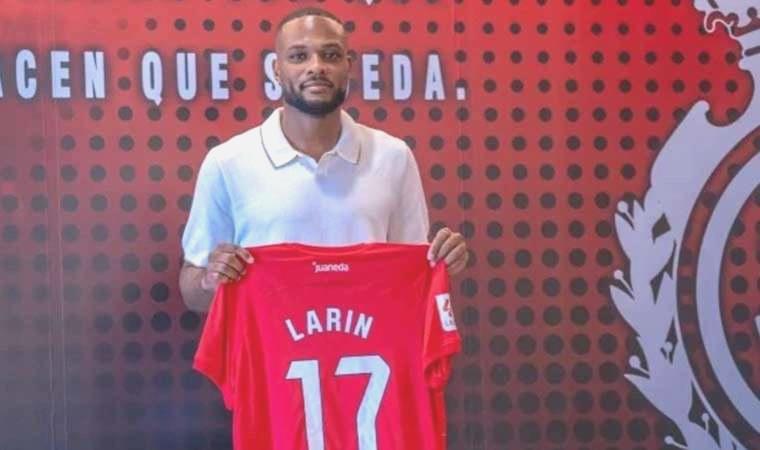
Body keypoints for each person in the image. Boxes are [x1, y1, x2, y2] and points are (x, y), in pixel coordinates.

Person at [179, 7, 469, 312]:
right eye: (298, 56)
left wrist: (442, 262)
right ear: (276, 70)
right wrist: (210, 281)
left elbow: (414, 278)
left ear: (348, 65)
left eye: (330, 55)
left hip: (370, 341)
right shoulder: (227, 162)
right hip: (266, 344)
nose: (316, 67)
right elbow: (192, 292)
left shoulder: (394, 157)